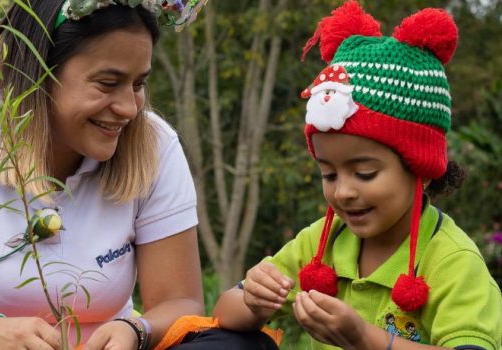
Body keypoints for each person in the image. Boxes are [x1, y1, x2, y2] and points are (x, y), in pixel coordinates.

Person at [0, 1, 207, 349]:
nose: (129, 108)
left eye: (138, 84)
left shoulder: (155, 144)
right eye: (107, 84)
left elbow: (181, 303)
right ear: (38, 72)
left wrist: (136, 331)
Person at [212, 2, 502, 349]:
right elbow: (224, 314)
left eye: (364, 173)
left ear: (420, 169)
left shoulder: (450, 261)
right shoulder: (321, 244)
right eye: (328, 174)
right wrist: (253, 300)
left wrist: (367, 339)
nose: (344, 191)